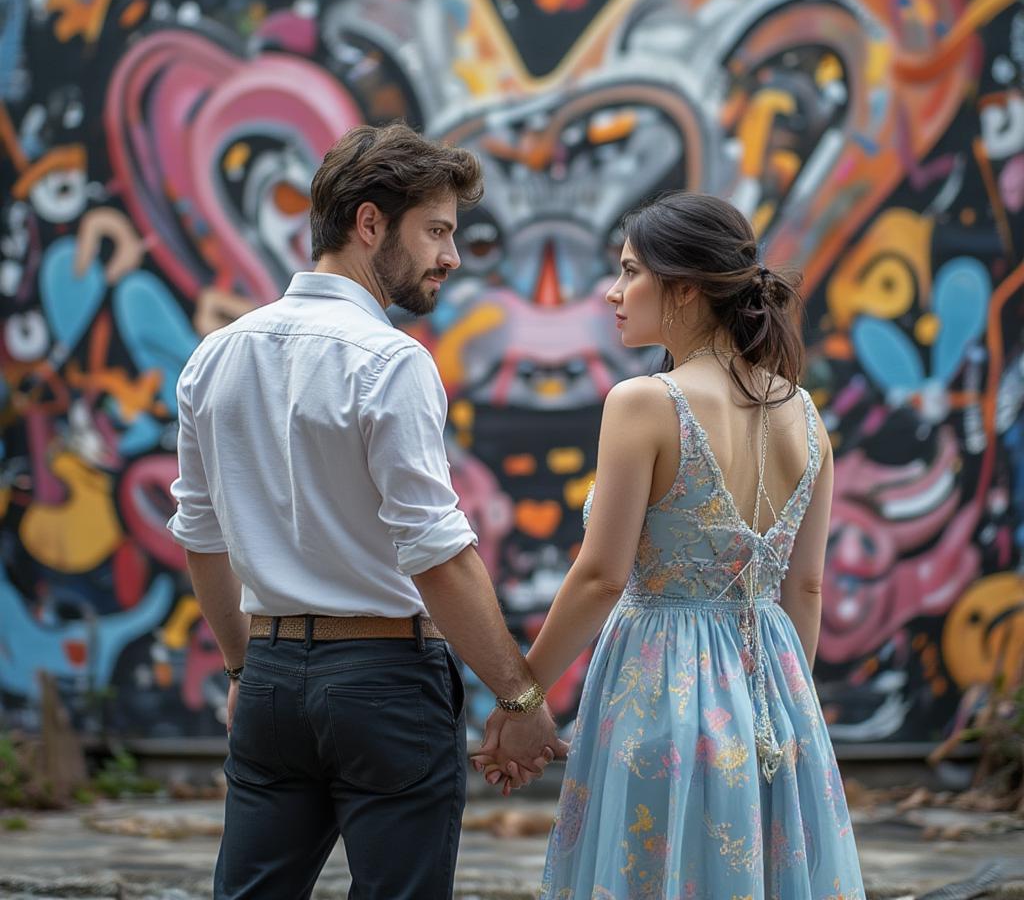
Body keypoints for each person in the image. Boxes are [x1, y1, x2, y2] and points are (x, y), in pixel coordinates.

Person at [167, 122, 563, 900]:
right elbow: (438, 554)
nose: (450, 256)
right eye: (437, 231)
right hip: (383, 680)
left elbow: (201, 538)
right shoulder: (390, 360)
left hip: (273, 679)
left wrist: (247, 667)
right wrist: (518, 699)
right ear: (371, 222)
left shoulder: (215, 354)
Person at [474, 192, 864, 897]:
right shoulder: (805, 415)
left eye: (630, 272)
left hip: (659, 689)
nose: (612, 291)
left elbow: (599, 577)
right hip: (773, 694)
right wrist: (782, 706)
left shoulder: (645, 402)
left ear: (683, 289)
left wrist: (521, 699)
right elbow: (803, 587)